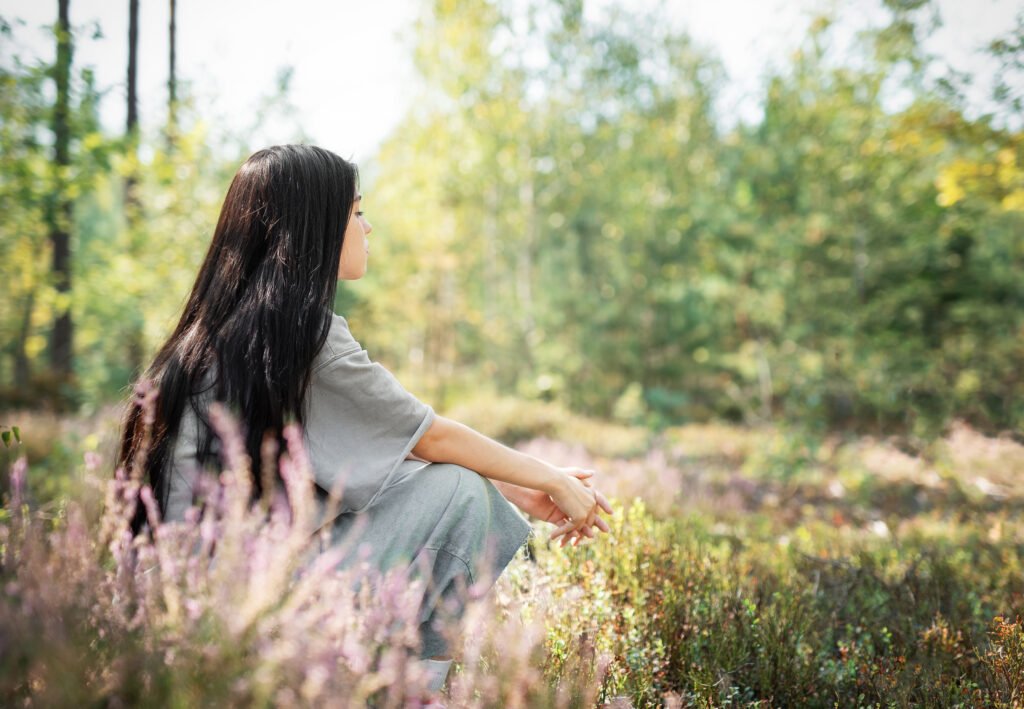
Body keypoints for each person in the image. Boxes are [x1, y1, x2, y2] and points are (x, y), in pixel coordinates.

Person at [116, 144, 613, 705]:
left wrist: (518, 490)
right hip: (247, 615)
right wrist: (554, 479)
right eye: (355, 212)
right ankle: (406, 693)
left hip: (189, 615)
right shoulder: (302, 336)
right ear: (315, 227)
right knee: (462, 495)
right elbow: (430, 436)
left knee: (463, 488)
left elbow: (378, 458)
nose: (367, 225)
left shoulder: (221, 335)